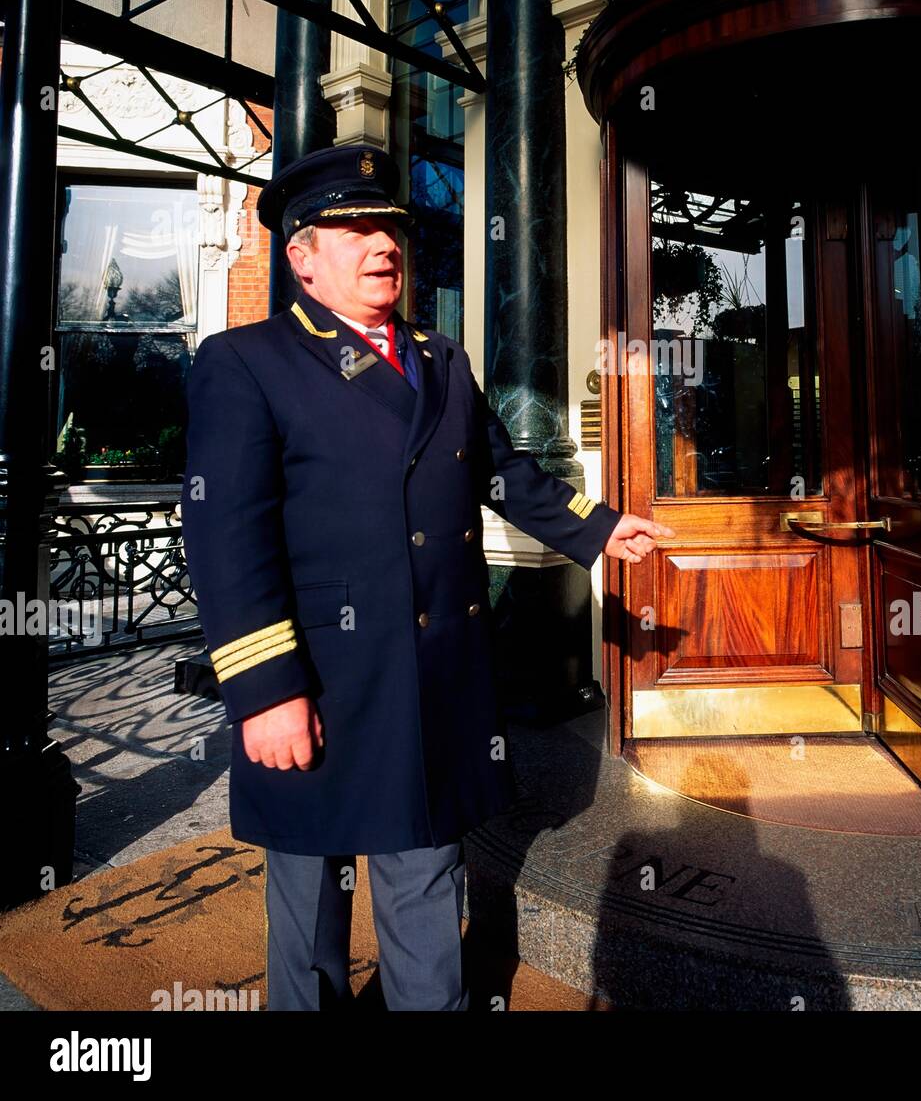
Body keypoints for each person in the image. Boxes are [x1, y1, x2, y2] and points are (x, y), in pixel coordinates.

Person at [180, 144, 670, 1010]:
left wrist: (595, 527)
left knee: (425, 870)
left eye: (393, 228)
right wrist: (262, 690)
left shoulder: (442, 360)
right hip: (318, 683)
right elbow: (227, 537)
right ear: (301, 256)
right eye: (356, 228)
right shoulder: (246, 362)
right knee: (311, 897)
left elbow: (498, 469)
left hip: (434, 678)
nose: (384, 245)